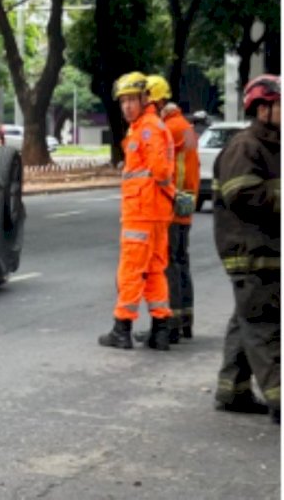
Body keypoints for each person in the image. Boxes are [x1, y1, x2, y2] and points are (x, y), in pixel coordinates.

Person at [212, 74, 280, 423]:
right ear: (263, 108)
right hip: (250, 251)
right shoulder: (245, 146)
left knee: (247, 316)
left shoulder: (273, 146)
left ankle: (232, 390)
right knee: (263, 325)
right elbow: (241, 194)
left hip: (266, 249)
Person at [98, 72, 175, 351]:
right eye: (124, 101)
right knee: (155, 271)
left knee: (130, 271)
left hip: (142, 212)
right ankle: (161, 329)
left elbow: (161, 170)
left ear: (145, 99)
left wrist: (162, 190)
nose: (128, 106)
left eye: (133, 100)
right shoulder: (147, 125)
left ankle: (122, 328)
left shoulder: (147, 128)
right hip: (153, 212)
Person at [138, 75, 200, 343]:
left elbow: (164, 171)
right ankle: (185, 320)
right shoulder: (184, 126)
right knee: (181, 262)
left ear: (158, 100)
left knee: (168, 265)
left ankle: (170, 323)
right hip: (186, 203)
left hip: (172, 205)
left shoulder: (167, 129)